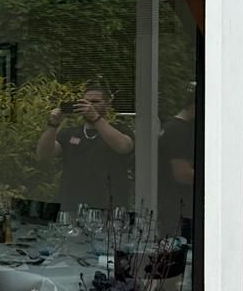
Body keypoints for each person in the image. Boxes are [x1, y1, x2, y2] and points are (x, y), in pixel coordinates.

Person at [36, 83, 134, 213]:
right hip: (72, 206)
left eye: (95, 102)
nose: (89, 106)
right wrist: (53, 124)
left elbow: (123, 147)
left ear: (108, 104)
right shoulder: (70, 133)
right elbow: (44, 153)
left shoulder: (119, 130)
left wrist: (95, 117)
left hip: (109, 207)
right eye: (86, 102)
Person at [158, 88, 197, 240]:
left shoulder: (174, 127)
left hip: (175, 206)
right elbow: (183, 174)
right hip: (177, 209)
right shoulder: (179, 131)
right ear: (193, 106)